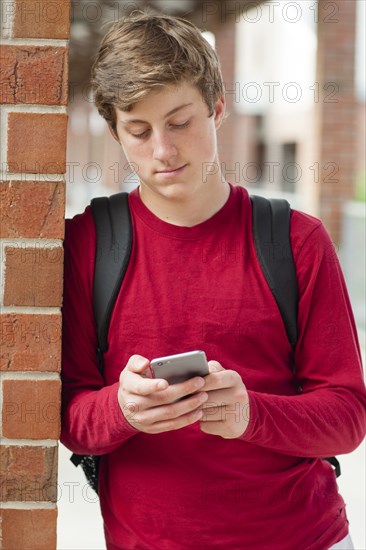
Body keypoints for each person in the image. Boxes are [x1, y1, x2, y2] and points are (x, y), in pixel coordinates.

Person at [61, 11, 366, 550]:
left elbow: (346, 418)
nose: (162, 150)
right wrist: (122, 408)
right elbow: (69, 417)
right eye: (138, 130)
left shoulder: (296, 241)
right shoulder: (88, 246)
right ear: (115, 132)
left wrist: (251, 413)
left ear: (218, 109)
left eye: (180, 122)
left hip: (302, 538)